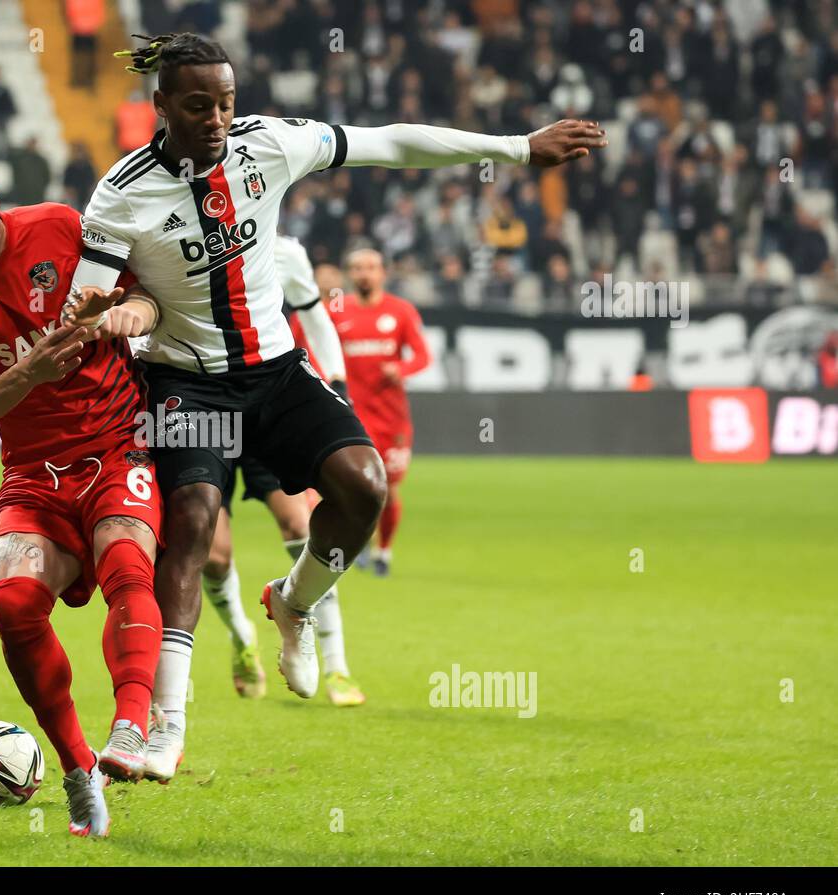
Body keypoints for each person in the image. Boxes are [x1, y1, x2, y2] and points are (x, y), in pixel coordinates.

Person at [67, 32, 604, 780]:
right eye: (198, 105)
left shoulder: (270, 145)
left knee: (366, 486)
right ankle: (165, 729)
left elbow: (390, 142)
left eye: (226, 101)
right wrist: (110, 310)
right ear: (160, 106)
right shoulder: (122, 192)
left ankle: (294, 602)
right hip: (186, 383)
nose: (218, 118)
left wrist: (516, 147)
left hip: (277, 370)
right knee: (190, 524)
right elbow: (81, 308)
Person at [0, 142, 165, 837]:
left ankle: (133, 727)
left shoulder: (58, 227)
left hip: (117, 446)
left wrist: (125, 316)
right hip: (31, 475)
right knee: (12, 601)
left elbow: (147, 298)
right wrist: (32, 373)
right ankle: (79, 774)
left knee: (128, 564)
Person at [201, 233, 367, 707]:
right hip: (202, 407)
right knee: (213, 555)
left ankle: (337, 666)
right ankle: (241, 638)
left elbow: (314, 316)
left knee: (302, 525)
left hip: (267, 404)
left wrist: (336, 382)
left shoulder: (285, 251)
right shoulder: (180, 235)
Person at [337, 247, 431, 577]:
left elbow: (422, 356)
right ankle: (358, 541)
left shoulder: (401, 311)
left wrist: (401, 368)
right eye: (358, 267)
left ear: (383, 273)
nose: (365, 273)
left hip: (391, 418)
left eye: (371, 267)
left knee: (388, 490)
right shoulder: (336, 311)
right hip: (350, 415)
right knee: (351, 486)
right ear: (349, 273)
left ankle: (384, 550)